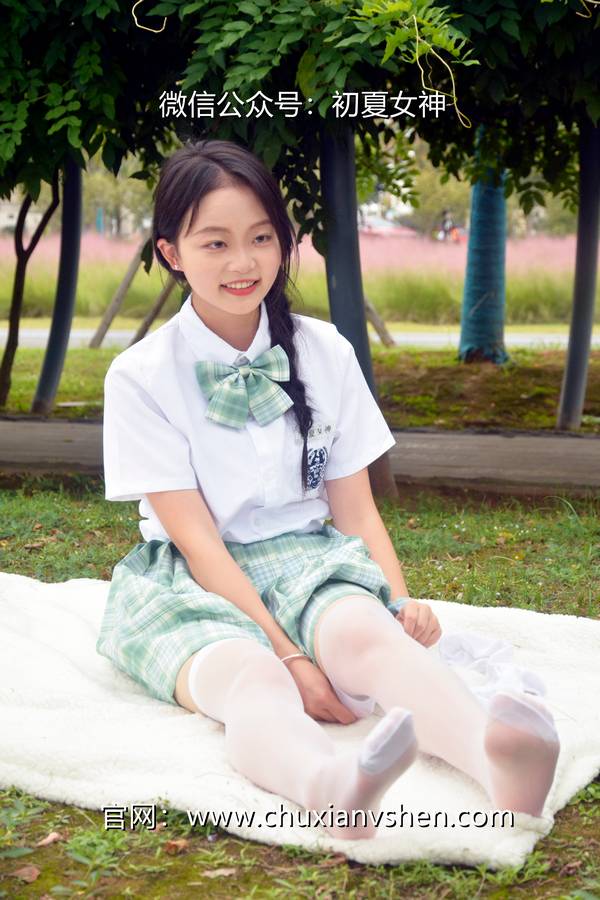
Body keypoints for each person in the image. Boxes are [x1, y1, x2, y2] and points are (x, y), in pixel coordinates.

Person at [97, 139, 560, 840]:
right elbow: (198, 543)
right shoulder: (141, 375)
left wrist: (399, 604)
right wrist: (289, 655)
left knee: (370, 638)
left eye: (261, 238)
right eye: (215, 243)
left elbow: (354, 506)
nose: (243, 262)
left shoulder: (325, 351)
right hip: (193, 575)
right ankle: (329, 787)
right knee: (255, 680)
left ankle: (498, 766)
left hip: (308, 558)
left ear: (284, 242)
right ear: (171, 252)